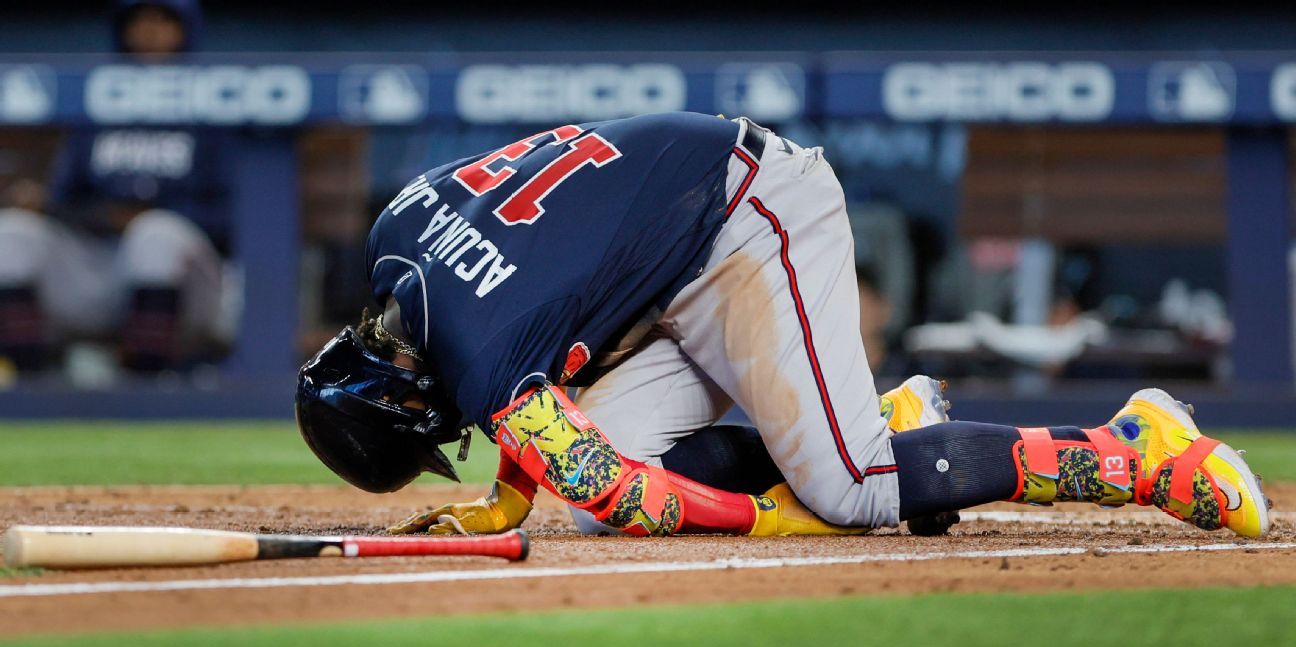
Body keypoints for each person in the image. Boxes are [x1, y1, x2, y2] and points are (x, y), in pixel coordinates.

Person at [295, 112, 1271, 540]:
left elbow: (635, 495)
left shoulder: (475, 357)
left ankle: (1133, 448)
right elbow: (524, 319)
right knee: (591, 489)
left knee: (851, 489)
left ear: (405, 408)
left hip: (748, 214)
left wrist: (765, 512)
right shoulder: (398, 235)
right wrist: (509, 504)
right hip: (666, 265)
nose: (447, 432)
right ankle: (865, 415)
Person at [0, 0, 232, 376]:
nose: (150, 31)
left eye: (163, 20)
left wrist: (150, 216)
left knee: (154, 235)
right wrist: (52, 207)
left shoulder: (216, 106)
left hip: (191, 287)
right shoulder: (95, 105)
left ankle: (147, 385)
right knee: (10, 231)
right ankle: (29, 385)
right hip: (100, 271)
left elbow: (236, 217)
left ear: (185, 29)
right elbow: (65, 199)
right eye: (139, 20)